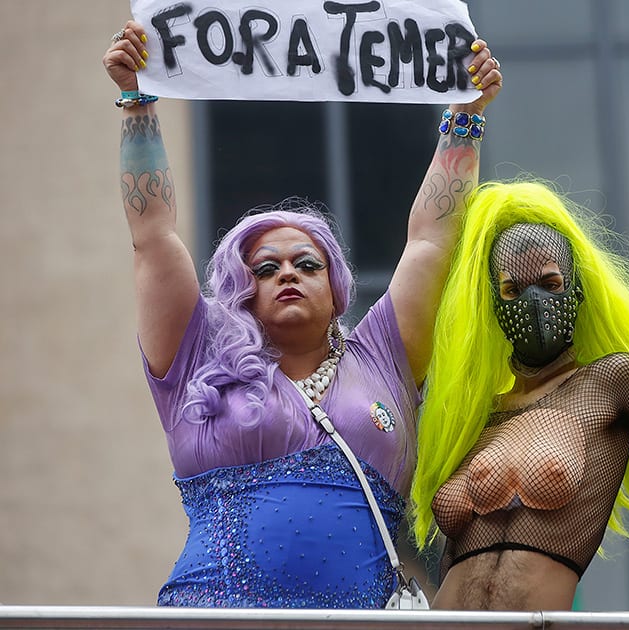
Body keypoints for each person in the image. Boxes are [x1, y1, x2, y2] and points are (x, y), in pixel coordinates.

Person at [102, 19, 501, 608]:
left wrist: (465, 112)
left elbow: (430, 243)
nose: (287, 273)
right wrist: (137, 101)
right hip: (213, 618)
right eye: (265, 269)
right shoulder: (198, 356)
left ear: (338, 289)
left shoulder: (383, 356)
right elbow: (154, 237)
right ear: (242, 291)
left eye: (307, 264)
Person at [408, 181, 629, 628]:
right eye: (511, 289)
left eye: (550, 283)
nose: (534, 302)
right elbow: (454, 556)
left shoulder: (612, 379)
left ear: (577, 290)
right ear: (493, 303)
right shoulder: (480, 415)